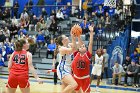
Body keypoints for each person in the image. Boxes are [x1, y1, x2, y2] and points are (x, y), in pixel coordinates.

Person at [71, 25, 94, 93]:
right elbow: (75, 44)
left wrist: (91, 32)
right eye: (81, 46)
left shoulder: (87, 55)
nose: (82, 46)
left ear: (86, 49)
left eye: (84, 46)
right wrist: (74, 37)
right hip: (76, 77)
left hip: (85, 78)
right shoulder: (76, 54)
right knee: (74, 92)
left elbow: (90, 44)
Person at [55, 25, 78, 93]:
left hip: (68, 69)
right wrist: (73, 38)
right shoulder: (61, 48)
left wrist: (78, 36)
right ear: (63, 41)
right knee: (74, 85)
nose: (67, 37)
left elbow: (77, 46)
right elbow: (74, 49)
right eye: (66, 37)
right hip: (62, 69)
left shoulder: (69, 45)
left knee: (69, 90)